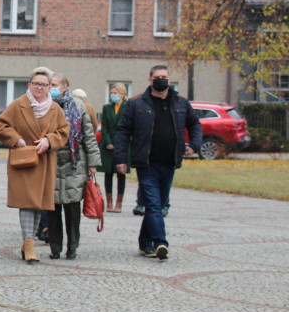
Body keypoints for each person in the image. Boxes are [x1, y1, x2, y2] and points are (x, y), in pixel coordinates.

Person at [114, 65, 201, 261]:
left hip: (169, 162)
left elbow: (195, 124)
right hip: (146, 163)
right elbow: (122, 131)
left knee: (159, 203)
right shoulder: (138, 104)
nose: (161, 80)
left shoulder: (180, 103)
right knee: (154, 205)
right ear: (150, 80)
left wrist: (194, 145)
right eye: (157, 77)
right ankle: (160, 242)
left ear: (169, 80)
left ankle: (145, 242)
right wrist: (120, 159)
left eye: (164, 77)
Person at [0, 67, 70, 264]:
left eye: (44, 85)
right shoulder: (19, 104)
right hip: (24, 162)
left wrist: (49, 141)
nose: (40, 87)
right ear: (29, 85)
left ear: (49, 87)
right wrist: (16, 139)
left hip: (44, 162)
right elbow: (1, 125)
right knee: (27, 203)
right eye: (36, 84)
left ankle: (27, 243)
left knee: (38, 205)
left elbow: (64, 131)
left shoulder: (55, 109)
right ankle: (29, 244)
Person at [46, 73, 102, 260]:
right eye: (49, 84)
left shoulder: (78, 106)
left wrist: (93, 163)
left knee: (72, 207)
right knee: (52, 207)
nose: (51, 87)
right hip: (51, 160)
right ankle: (54, 246)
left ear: (64, 86)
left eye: (54, 84)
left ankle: (72, 246)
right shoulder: (44, 105)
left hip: (74, 161)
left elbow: (88, 135)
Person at [100, 83, 128, 213]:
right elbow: (104, 127)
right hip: (108, 146)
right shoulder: (106, 108)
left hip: (122, 146)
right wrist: (108, 142)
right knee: (108, 173)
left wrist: (120, 143)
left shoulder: (127, 107)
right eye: (111, 93)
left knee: (121, 174)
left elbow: (128, 127)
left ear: (122, 94)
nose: (113, 95)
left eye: (115, 93)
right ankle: (109, 202)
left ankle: (119, 203)